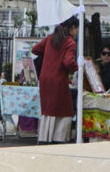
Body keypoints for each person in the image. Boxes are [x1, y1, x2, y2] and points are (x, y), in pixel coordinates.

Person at [30, 15, 79, 144]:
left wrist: (48, 56)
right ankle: (58, 138)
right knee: (64, 108)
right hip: (58, 79)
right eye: (77, 28)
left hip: (44, 79)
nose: (77, 31)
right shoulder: (70, 42)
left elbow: (34, 49)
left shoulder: (50, 39)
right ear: (73, 28)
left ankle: (44, 137)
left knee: (47, 108)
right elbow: (68, 62)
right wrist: (77, 67)